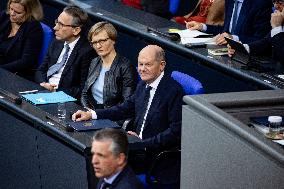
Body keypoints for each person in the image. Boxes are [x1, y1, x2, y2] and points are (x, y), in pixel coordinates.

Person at [73, 45, 184, 187]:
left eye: (148, 64)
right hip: (137, 147)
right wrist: (92, 114)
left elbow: (175, 133)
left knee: (104, 159)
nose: (142, 69)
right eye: (140, 64)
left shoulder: (174, 92)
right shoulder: (143, 85)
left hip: (156, 157)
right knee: (96, 155)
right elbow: (125, 108)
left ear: (162, 65)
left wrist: (142, 142)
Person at [35, 6, 96, 99]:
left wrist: (55, 91)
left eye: (61, 25)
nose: (55, 27)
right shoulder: (57, 41)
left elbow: (84, 89)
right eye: (57, 22)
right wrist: (44, 83)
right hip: (43, 89)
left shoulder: (87, 52)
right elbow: (41, 70)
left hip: (64, 97)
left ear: (76, 30)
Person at [81, 22, 137, 110]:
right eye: (94, 42)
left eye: (102, 41)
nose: (98, 46)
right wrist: (87, 110)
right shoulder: (94, 62)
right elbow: (85, 93)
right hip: (92, 112)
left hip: (111, 117)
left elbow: (126, 104)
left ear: (113, 40)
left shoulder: (126, 67)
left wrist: (98, 115)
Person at [186, 0, 272, 44]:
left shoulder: (260, 4)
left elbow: (261, 40)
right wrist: (202, 26)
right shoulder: (230, 1)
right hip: (227, 51)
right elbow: (226, 31)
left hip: (246, 57)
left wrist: (234, 39)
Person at [228, 0, 284, 65]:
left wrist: (277, 27)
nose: (275, 6)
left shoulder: (278, 23)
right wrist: (242, 49)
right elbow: (265, 42)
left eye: (280, 3)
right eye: (274, 2)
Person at [0, 0, 43, 80]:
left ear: (29, 13)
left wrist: (1, 69)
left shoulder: (34, 29)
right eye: (11, 8)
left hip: (13, 74)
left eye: (18, 12)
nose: (12, 14)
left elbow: (26, 61)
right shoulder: (4, 16)